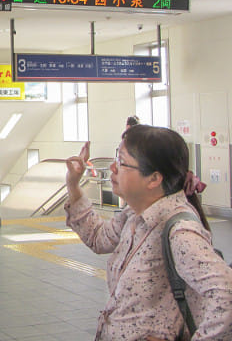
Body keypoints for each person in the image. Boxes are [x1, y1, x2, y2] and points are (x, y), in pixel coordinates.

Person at [64, 124, 232, 340]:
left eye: (123, 162)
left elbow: (226, 294)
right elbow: (98, 237)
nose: (113, 167)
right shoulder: (134, 215)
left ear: (154, 178)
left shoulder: (180, 231)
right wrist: (73, 185)